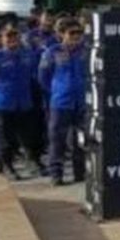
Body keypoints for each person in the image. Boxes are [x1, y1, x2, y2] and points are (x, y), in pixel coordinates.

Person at [0, 22, 38, 178]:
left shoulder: (27, 55)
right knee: (5, 138)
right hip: (3, 102)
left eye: (15, 35)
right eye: (8, 36)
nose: (12, 39)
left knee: (26, 135)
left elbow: (34, 75)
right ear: (2, 39)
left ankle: (31, 161)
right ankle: (7, 167)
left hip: (23, 102)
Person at [38, 20, 87, 185]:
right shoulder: (52, 52)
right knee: (57, 140)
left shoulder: (85, 52)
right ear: (62, 34)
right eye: (71, 33)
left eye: (78, 33)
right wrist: (57, 91)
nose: (75, 37)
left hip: (80, 102)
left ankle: (80, 173)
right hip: (60, 103)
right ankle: (56, 175)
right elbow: (43, 77)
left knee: (80, 139)